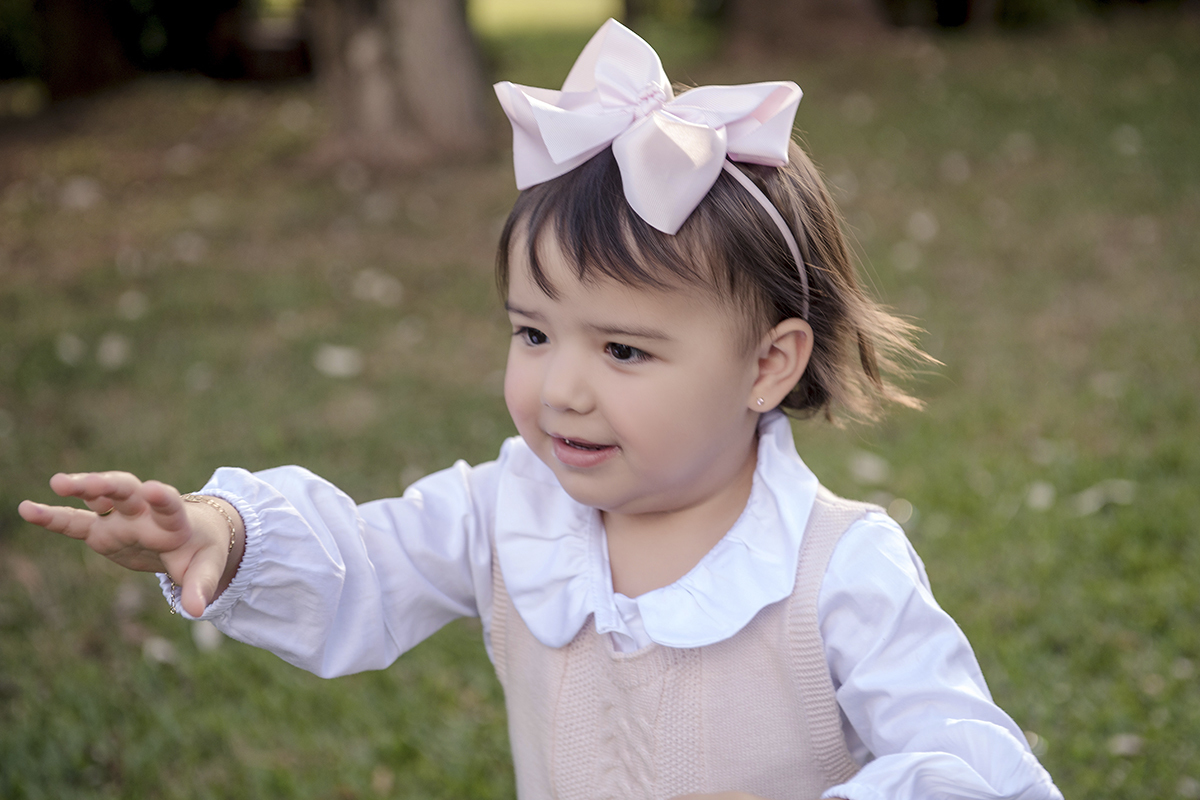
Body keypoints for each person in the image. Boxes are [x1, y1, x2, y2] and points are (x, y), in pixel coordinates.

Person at [19, 19, 1062, 800]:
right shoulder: (509, 513)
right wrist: (222, 529)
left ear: (767, 364)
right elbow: (368, 563)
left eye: (621, 347)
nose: (561, 385)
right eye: (532, 332)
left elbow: (961, 755)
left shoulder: (837, 570)